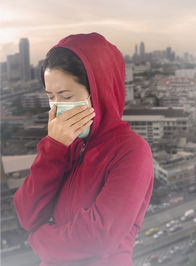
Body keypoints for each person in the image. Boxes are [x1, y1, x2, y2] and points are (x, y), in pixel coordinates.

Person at [13, 32, 154, 266]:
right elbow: (27, 215)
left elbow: (97, 238)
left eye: (67, 96)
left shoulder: (132, 152)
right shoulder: (65, 144)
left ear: (101, 94)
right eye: (51, 97)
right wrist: (53, 148)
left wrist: (39, 240)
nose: (58, 108)